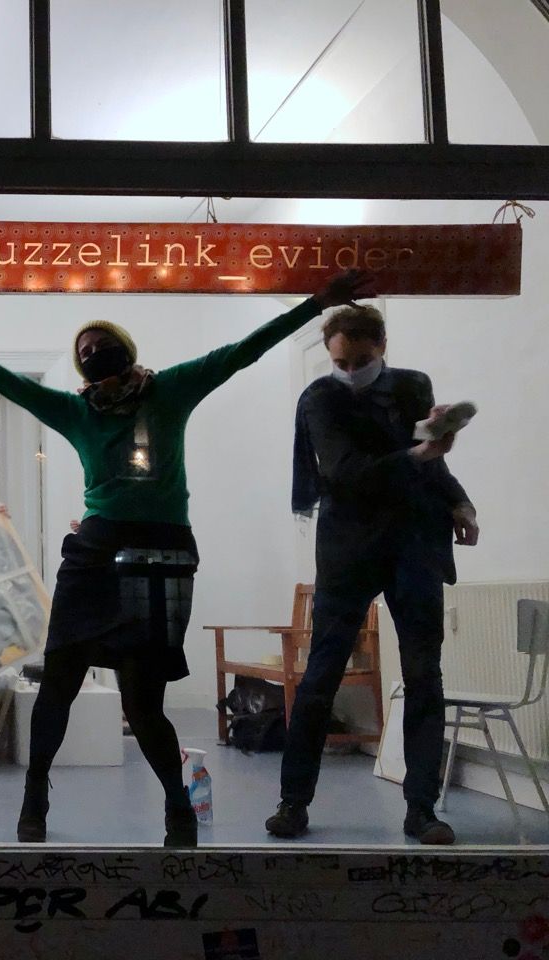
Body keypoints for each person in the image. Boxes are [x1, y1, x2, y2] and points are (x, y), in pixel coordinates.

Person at [0, 270, 375, 846]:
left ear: (126, 350)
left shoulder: (170, 390)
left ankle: (178, 806)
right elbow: (3, 379)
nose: (92, 352)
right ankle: (35, 794)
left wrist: (316, 304)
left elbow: (243, 350)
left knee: (143, 702)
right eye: (84, 351)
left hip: (161, 556)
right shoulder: (76, 412)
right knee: (59, 684)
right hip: (95, 553)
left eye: (101, 344)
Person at [267, 304, 478, 845]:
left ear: (382, 344)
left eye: (361, 360)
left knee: (425, 676)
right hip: (349, 548)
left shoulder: (412, 385)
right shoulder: (320, 397)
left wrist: (459, 501)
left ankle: (422, 809)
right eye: (341, 362)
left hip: (414, 542)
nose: (351, 371)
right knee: (321, 675)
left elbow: (431, 459)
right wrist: (419, 454)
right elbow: (343, 473)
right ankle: (293, 803)